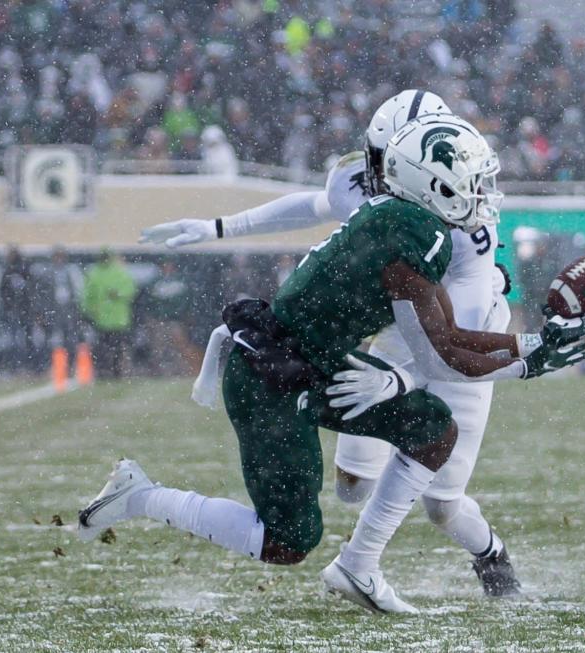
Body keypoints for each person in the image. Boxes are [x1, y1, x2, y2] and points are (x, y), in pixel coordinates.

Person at [82, 113, 585, 615]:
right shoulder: (414, 236)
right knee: (287, 542)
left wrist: (530, 346)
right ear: (434, 184)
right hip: (272, 375)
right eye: (473, 182)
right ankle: (142, 496)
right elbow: (441, 353)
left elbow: (445, 338)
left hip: (312, 359)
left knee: (431, 428)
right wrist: (529, 356)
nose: (482, 195)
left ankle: (359, 566)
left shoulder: (404, 219)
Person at [140, 90, 528, 598]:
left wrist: (401, 379)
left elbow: (451, 346)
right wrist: (221, 226)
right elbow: (318, 203)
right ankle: (356, 550)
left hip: (463, 337)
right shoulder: (375, 187)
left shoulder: (461, 219)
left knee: (442, 500)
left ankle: (485, 556)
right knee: (352, 484)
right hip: (394, 334)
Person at [81, 250, 137, 379]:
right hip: (109, 319)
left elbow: (129, 291)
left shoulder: (97, 273)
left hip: (112, 319)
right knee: (107, 347)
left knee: (110, 347)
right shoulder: (118, 273)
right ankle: (107, 371)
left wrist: (88, 310)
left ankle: (110, 371)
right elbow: (88, 296)